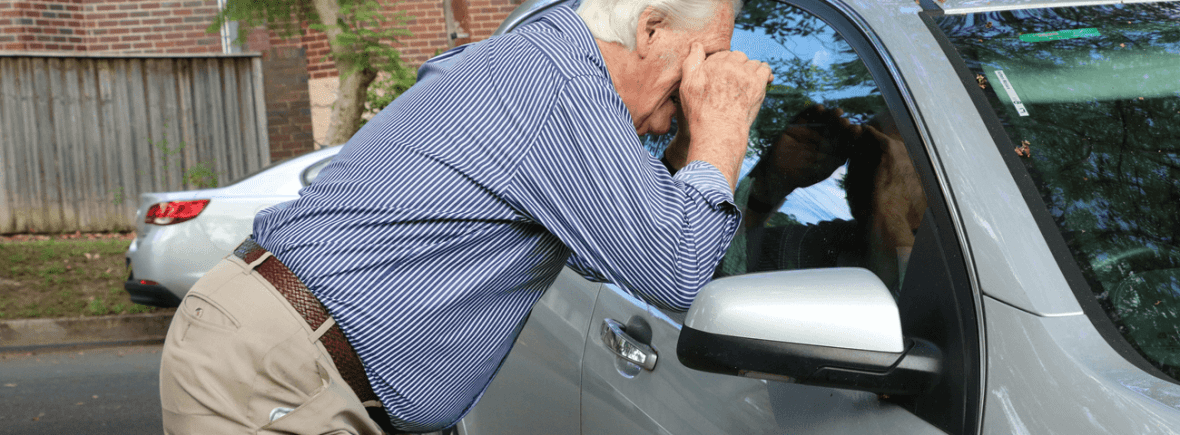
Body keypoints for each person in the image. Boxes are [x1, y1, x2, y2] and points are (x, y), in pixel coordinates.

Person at [158, 0, 773, 433]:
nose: (702, 89)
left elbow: (606, 242)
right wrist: (723, 126)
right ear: (651, 29)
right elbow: (675, 267)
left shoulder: (542, 64)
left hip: (287, 362)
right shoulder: (556, 89)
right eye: (705, 62)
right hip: (280, 378)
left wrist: (713, 157)